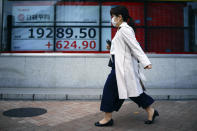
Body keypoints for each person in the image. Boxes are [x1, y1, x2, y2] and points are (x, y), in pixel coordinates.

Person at [95, 5, 159, 127]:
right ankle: (151, 110)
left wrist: (146, 63)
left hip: (122, 69)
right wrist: (112, 47)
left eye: (113, 16)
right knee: (132, 91)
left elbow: (135, 47)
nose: (112, 19)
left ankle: (107, 118)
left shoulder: (125, 29)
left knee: (109, 90)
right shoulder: (121, 30)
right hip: (119, 67)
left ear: (119, 17)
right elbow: (124, 47)